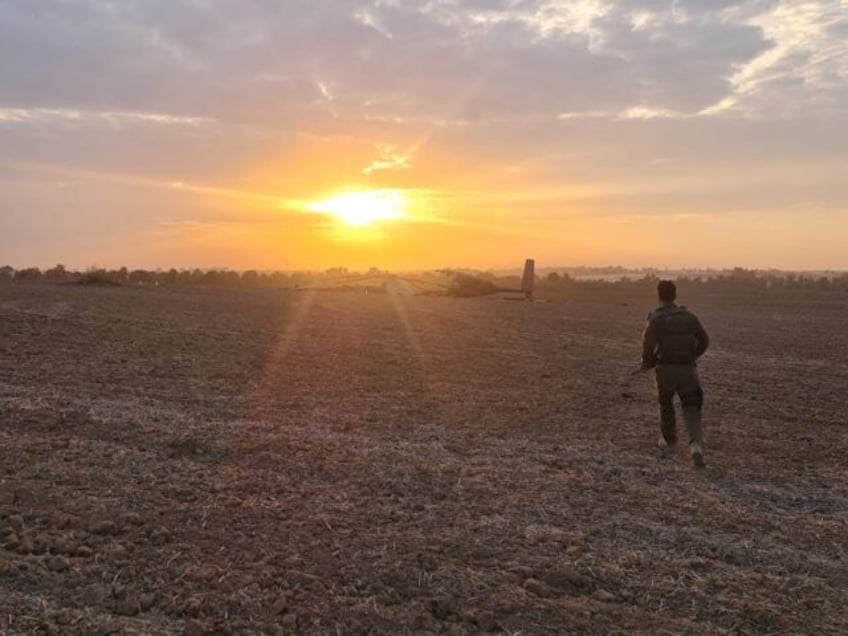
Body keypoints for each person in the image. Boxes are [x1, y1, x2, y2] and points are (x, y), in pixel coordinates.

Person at [640, 280, 710, 467]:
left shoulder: (656, 318)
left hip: (665, 369)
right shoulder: (689, 316)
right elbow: (704, 340)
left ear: (659, 295)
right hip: (687, 369)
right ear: (675, 294)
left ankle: (669, 441)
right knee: (691, 407)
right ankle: (696, 446)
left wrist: (647, 362)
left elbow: (647, 344)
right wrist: (692, 356)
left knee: (665, 404)